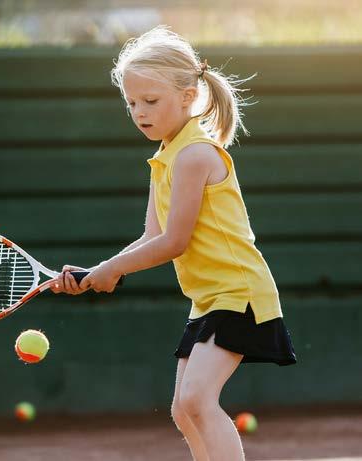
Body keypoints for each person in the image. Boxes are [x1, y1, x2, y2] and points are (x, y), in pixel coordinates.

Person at [51, 25, 296, 461]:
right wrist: (96, 273)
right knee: (183, 411)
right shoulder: (164, 157)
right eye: (131, 103)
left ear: (187, 96)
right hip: (207, 298)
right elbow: (151, 236)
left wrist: (112, 269)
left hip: (238, 293)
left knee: (197, 400)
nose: (139, 112)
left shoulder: (195, 154)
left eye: (150, 101)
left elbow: (174, 242)